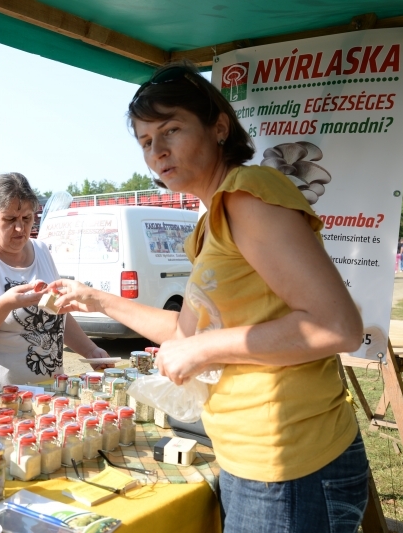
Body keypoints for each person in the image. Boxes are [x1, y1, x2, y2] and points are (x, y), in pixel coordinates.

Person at [49, 62, 367, 532]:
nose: (157, 151)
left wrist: (202, 350)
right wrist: (97, 300)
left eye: (171, 129)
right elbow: (184, 333)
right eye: (144, 142)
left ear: (219, 126)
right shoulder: (211, 221)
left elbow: (337, 325)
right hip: (248, 456)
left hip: (290, 460)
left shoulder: (248, 194)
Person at [0, 172, 112, 389]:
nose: (20, 229)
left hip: (49, 392)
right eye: (10, 219)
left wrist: (91, 351)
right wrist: (6, 304)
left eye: (27, 218)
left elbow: (57, 312)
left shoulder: (41, 250)